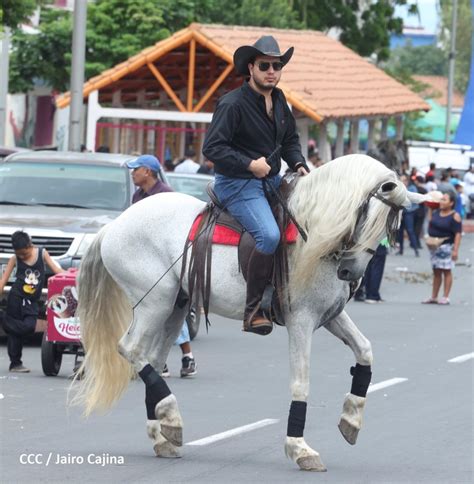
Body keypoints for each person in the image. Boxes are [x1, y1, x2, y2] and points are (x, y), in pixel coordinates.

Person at [202, 35, 309, 335]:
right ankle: (253, 311)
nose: (272, 71)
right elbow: (212, 148)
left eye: (277, 65)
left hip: (271, 180)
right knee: (269, 236)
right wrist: (250, 164)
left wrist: (299, 164)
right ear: (251, 68)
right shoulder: (231, 104)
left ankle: (287, 291)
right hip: (237, 183)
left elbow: (289, 140)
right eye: (265, 65)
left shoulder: (279, 99)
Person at [126, 154, 197, 377]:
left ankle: (187, 356)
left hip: (168, 262)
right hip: (145, 262)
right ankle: (160, 361)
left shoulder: (167, 196)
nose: (132, 173)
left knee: (170, 311)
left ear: (147, 171)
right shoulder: (138, 196)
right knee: (152, 311)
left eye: (135, 169)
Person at [0, 231, 64, 372]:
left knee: (29, 326)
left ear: (30, 245)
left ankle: (4, 321)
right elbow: (3, 281)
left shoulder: (42, 254)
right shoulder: (14, 259)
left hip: (31, 301)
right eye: (19, 254)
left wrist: (70, 276)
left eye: (25, 253)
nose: (22, 256)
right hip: (16, 298)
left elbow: (56, 270)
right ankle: (15, 363)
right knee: (14, 335)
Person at [422, 192, 462, 305]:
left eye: (444, 200)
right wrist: (430, 205)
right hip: (434, 247)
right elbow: (430, 222)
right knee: (436, 271)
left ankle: (445, 296)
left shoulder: (455, 215)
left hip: (446, 247)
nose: (441, 202)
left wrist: (455, 250)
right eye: (441, 199)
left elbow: (458, 234)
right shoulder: (436, 212)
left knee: (446, 271)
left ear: (451, 203)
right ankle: (434, 296)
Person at [397, 175, 420, 257]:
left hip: (409, 212)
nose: (402, 182)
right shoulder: (398, 189)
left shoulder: (412, 188)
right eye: (401, 180)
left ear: (407, 181)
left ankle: (416, 249)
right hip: (400, 213)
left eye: (403, 180)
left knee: (410, 231)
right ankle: (400, 250)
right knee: (400, 232)